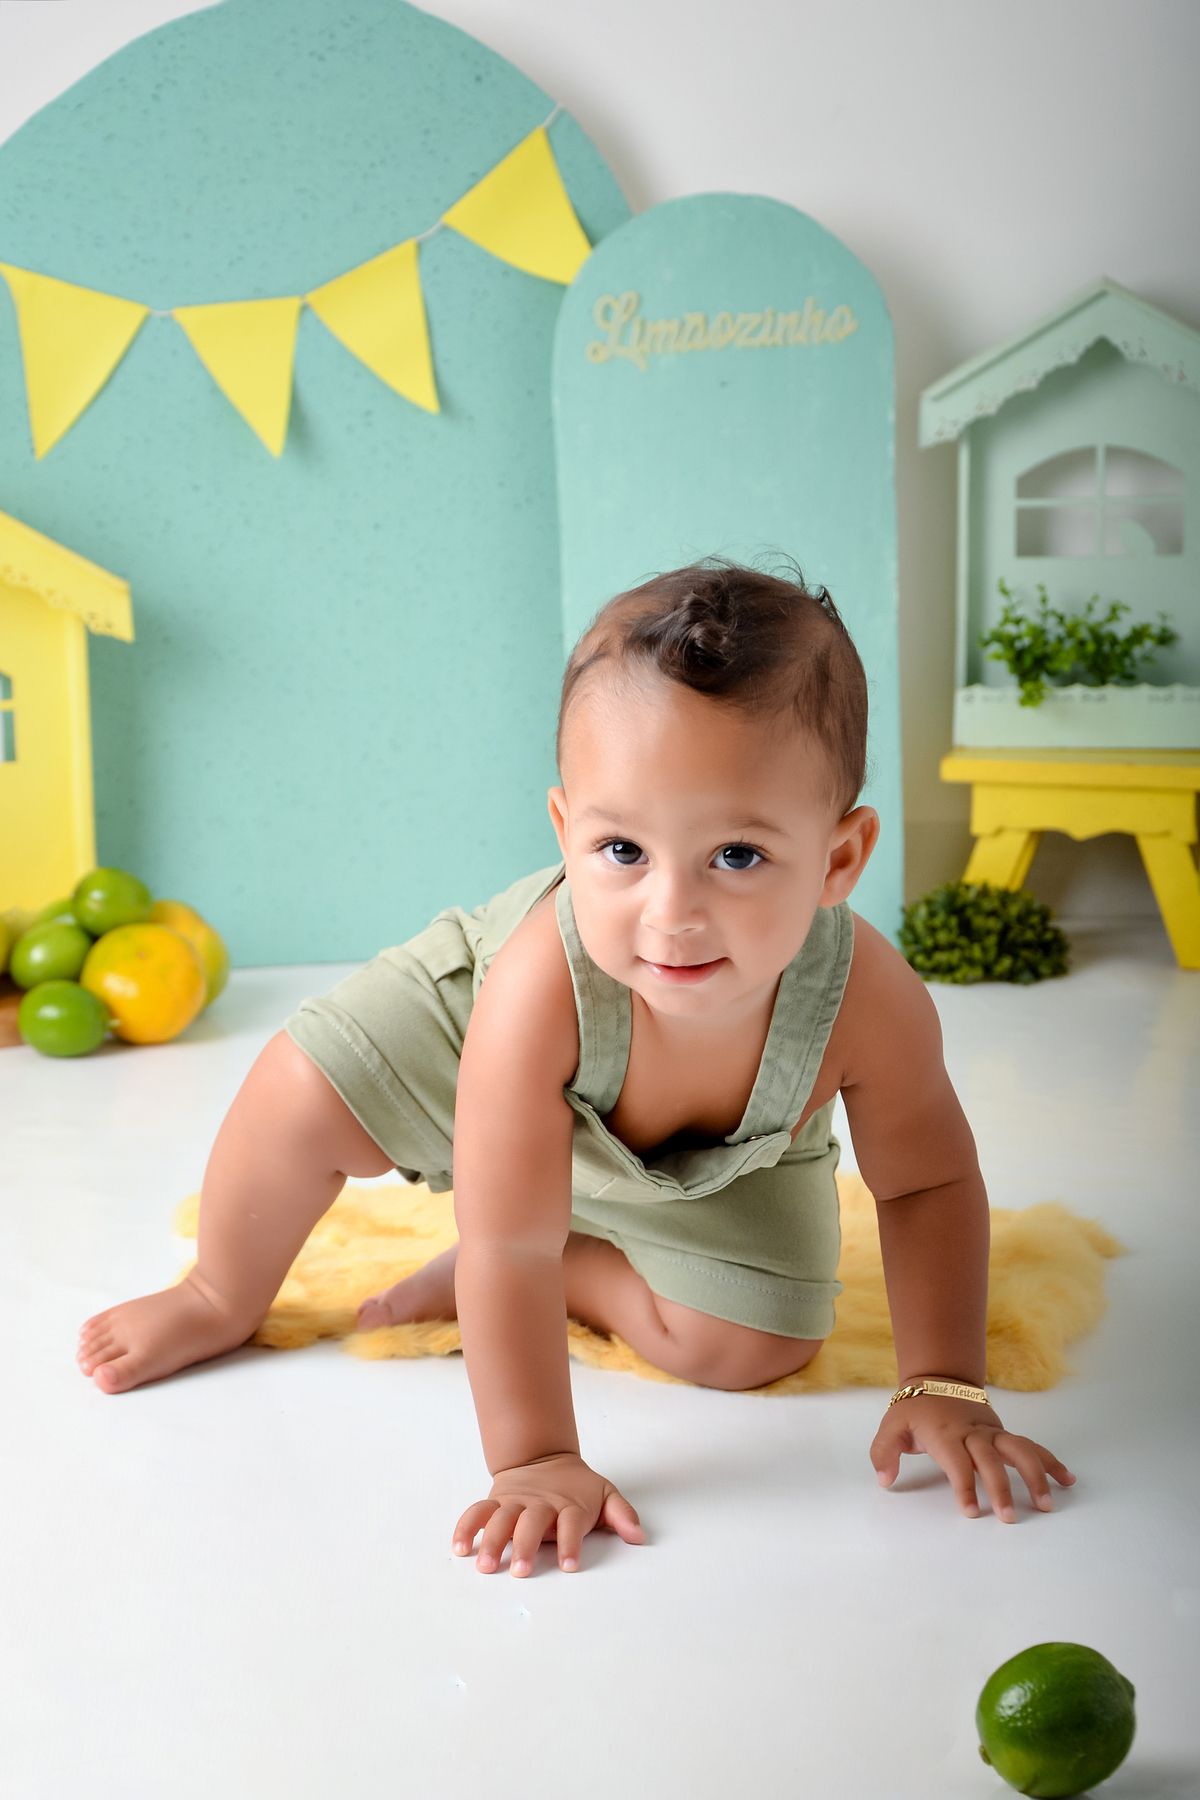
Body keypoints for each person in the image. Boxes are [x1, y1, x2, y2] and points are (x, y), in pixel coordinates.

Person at [78, 561, 1073, 1574]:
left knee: (758, 1345)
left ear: (838, 859)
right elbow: (506, 1242)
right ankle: (218, 1290)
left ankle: (591, 1271)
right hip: (484, 1051)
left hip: (711, 1154)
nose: (671, 912)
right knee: (301, 1089)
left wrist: (943, 1381)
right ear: (567, 832)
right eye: (624, 851)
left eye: (736, 855)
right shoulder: (533, 987)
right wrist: (537, 1458)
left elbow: (927, 1181)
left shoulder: (868, 999)